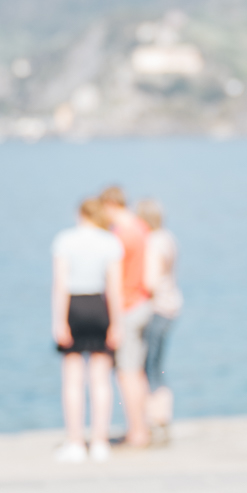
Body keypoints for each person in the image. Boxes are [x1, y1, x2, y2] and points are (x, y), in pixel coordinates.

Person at [51, 195, 125, 463]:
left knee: (72, 379)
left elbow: (60, 284)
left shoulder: (65, 240)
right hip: (99, 305)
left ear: (80, 214)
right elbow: (114, 288)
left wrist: (58, 321)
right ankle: (100, 441)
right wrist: (117, 323)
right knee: (101, 379)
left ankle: (75, 442)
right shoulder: (110, 242)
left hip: (74, 305)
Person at [95, 187, 154, 447]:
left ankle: (137, 431)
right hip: (143, 302)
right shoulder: (142, 228)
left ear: (109, 204)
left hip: (127, 306)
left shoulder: (119, 237)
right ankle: (144, 426)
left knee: (126, 373)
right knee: (138, 371)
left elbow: (113, 281)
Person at [135, 198, 182, 442]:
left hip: (157, 308)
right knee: (158, 364)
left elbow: (151, 281)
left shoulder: (152, 242)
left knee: (149, 366)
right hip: (172, 304)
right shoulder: (168, 238)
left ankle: (156, 417)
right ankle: (162, 416)